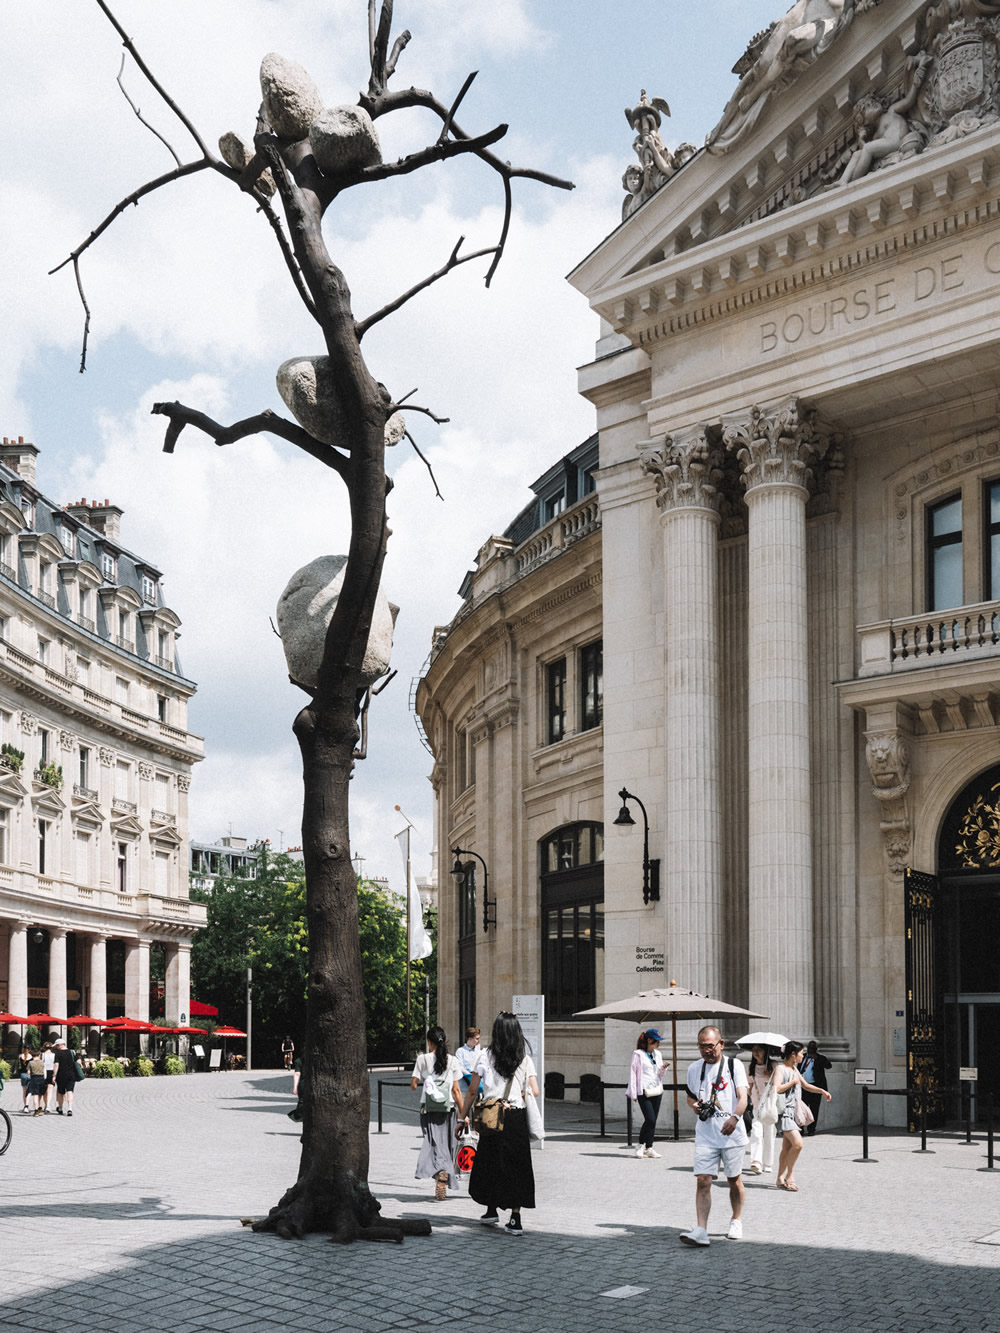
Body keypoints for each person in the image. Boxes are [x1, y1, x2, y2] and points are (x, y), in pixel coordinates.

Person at [461, 1011, 539, 1236]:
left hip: (492, 1115)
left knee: (490, 1162)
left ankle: (491, 1209)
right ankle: (515, 1218)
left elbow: (473, 1090)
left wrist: (462, 1117)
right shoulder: (524, 1059)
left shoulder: (485, 1056)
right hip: (515, 1117)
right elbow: (534, 1090)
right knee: (517, 1166)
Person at [681, 1025, 749, 1246]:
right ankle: (701, 1229)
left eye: (710, 1046)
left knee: (734, 1180)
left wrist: (735, 1118)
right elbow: (690, 1097)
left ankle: (736, 1219)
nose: (706, 1051)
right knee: (703, 1180)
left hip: (732, 1134)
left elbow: (743, 1098)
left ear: (721, 1044)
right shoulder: (693, 1069)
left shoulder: (734, 1065)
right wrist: (695, 1106)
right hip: (706, 1134)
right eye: (701, 1046)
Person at [410, 1025, 464, 1202]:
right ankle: (442, 1172)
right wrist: (464, 1113)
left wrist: (424, 1080)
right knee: (448, 1144)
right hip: (449, 1107)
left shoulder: (422, 1059)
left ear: (429, 1042)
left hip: (429, 1107)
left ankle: (440, 1172)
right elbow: (456, 1090)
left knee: (433, 1142)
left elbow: (413, 1084)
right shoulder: (453, 1060)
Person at [773, 1041, 833, 1191]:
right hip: (785, 1113)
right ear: (793, 1054)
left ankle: (780, 1178)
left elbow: (806, 1085)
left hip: (793, 1112)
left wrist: (822, 1091)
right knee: (798, 1144)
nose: (802, 1055)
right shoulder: (780, 1069)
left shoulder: (794, 1069)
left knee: (786, 1147)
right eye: (800, 1053)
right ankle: (790, 1176)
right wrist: (792, 1082)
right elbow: (777, 1088)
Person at [627, 1029, 670, 1159]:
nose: (658, 1044)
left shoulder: (657, 1054)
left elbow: (659, 1074)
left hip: (656, 1089)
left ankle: (649, 1147)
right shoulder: (638, 1054)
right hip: (643, 1090)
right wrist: (633, 1092)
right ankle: (640, 1145)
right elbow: (633, 1073)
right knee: (649, 1118)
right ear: (649, 1040)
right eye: (657, 1041)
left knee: (653, 1120)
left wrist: (663, 1068)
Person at [746, 1044, 777, 1174]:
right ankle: (756, 1161)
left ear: (766, 1051)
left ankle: (768, 1163)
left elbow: (779, 1083)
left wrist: (770, 1075)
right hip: (757, 1105)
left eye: (759, 1050)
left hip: (770, 1104)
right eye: (754, 1050)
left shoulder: (773, 1065)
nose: (756, 1053)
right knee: (756, 1132)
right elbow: (749, 1085)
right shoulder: (751, 1067)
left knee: (769, 1134)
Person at [799, 1041, 832, 1135]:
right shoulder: (803, 1057)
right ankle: (801, 1128)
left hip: (815, 1087)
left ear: (816, 1050)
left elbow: (829, 1066)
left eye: (813, 1049)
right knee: (802, 1108)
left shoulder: (820, 1058)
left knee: (814, 1109)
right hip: (803, 1087)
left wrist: (818, 1059)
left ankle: (811, 1129)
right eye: (809, 1048)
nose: (811, 1051)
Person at [52, 1038, 77, 1116]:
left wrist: (54, 1075)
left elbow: (56, 1064)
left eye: (56, 1045)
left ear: (59, 1045)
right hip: (71, 1074)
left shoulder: (58, 1053)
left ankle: (60, 1107)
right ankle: (70, 1108)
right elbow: (78, 1061)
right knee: (70, 1091)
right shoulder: (72, 1052)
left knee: (61, 1092)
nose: (56, 1047)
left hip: (61, 1075)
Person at [455, 1026, 481, 1097]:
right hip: (464, 1087)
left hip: (476, 1087)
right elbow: (460, 1067)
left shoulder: (479, 1052)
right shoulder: (460, 1051)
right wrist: (470, 1076)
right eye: (477, 1038)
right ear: (470, 1039)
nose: (478, 1040)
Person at [27, 1048, 47, 1116]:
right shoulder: (42, 1062)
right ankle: (40, 1108)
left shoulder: (30, 1062)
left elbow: (28, 1072)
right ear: (39, 1055)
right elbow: (44, 1071)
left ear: (32, 1055)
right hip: (41, 1078)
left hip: (34, 1078)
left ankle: (35, 1111)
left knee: (35, 1095)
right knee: (40, 1094)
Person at [41, 1039, 56, 1113]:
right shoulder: (54, 1055)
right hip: (51, 1072)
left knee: (44, 1091)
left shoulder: (42, 1055)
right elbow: (55, 1065)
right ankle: (48, 1105)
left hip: (43, 1072)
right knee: (50, 1090)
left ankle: (46, 1104)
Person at [18, 1044, 32, 1113]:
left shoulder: (20, 1056)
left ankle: (25, 1106)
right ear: (30, 1050)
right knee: (29, 1091)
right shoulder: (31, 1057)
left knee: (24, 1091)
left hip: (23, 1074)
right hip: (30, 1074)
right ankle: (27, 1105)